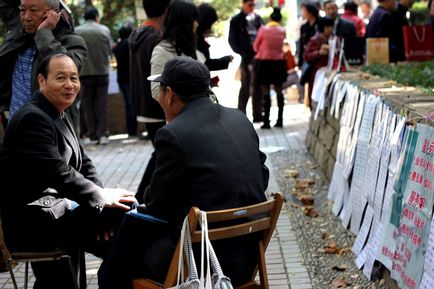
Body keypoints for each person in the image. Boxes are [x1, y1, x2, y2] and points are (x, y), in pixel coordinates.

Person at [98, 57, 269, 289]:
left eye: (160, 91)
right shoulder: (239, 118)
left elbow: (157, 203)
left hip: (200, 254)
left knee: (117, 262)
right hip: (247, 247)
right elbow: (263, 176)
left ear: (170, 95)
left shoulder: (173, 134)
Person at [0, 53, 136, 289]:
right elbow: (58, 173)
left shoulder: (58, 112)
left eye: (74, 78)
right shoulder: (33, 118)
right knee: (123, 218)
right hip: (32, 222)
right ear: (41, 81)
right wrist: (101, 201)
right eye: (60, 78)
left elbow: (84, 163)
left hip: (56, 211)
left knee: (123, 210)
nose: (69, 84)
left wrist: (102, 200)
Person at [0, 0, 86, 131]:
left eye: (33, 11)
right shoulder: (18, 34)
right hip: (14, 127)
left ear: (52, 14)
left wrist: (44, 34)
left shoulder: (72, 43)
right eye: (22, 10)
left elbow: (62, 69)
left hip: (51, 130)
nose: (27, 17)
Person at [128, 0, 170, 201]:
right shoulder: (154, 38)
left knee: (162, 154)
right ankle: (142, 199)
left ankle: (145, 198)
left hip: (142, 102)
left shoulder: (138, 33)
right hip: (156, 103)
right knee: (162, 154)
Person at [75, 7, 112, 145]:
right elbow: (109, 51)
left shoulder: (77, 31)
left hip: (84, 73)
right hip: (102, 72)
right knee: (101, 104)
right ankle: (103, 134)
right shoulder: (104, 30)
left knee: (87, 104)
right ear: (96, 16)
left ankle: (92, 135)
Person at [228, 0, 264, 122]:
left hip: (258, 56)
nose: (252, 7)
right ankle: (241, 115)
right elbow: (232, 40)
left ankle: (258, 114)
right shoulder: (236, 20)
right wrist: (243, 52)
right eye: (250, 5)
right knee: (246, 86)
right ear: (244, 4)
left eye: (254, 5)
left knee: (258, 86)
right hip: (246, 56)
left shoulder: (258, 18)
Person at [253, 7, 286, 129]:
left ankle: (266, 121)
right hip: (278, 63)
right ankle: (280, 120)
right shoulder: (282, 30)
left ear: (270, 19)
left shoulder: (263, 29)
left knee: (265, 91)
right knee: (279, 90)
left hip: (264, 63)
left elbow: (256, 46)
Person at [303, 16, 335, 109]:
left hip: (327, 74)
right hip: (316, 75)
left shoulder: (332, 39)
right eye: (328, 27)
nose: (330, 29)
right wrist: (319, 53)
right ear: (322, 27)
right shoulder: (315, 40)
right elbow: (306, 56)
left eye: (331, 27)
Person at [113, 22, 137, 136]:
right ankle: (133, 130)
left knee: (128, 105)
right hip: (130, 79)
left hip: (121, 79)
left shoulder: (117, 46)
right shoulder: (129, 44)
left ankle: (130, 130)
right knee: (131, 105)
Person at [197, 3, 233, 71]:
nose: (210, 29)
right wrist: (226, 60)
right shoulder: (195, 40)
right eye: (210, 24)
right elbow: (205, 65)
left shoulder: (197, 37)